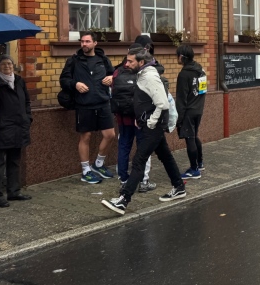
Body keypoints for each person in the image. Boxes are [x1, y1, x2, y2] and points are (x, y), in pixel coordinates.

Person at [102, 47, 186, 215]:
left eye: (130, 61)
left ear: (141, 62)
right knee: (165, 156)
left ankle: (123, 200)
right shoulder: (143, 74)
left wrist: (151, 121)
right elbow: (146, 101)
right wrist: (141, 117)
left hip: (152, 127)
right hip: (150, 125)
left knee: (139, 161)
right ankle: (179, 187)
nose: (127, 64)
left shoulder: (150, 77)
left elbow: (163, 104)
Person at [59, 31, 115, 184]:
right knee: (86, 137)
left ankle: (98, 164)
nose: (84, 44)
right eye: (82, 41)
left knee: (110, 135)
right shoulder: (74, 61)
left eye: (87, 41)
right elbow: (63, 80)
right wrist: (75, 84)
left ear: (95, 43)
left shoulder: (103, 59)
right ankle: (85, 171)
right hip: (84, 104)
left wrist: (112, 78)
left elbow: (113, 74)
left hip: (103, 102)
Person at [0, 55, 32, 208]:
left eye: (10, 64)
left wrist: (27, 118)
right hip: (1, 128)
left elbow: (26, 101)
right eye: (3, 64)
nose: (7, 67)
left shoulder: (19, 81)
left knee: (14, 161)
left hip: (19, 126)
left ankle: (14, 191)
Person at [112, 44, 155, 194]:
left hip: (122, 118)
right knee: (143, 149)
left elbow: (113, 93)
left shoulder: (117, 72)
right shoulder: (142, 73)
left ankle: (124, 181)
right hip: (140, 118)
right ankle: (143, 181)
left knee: (124, 147)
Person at [175, 43, 207, 180]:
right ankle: (200, 163)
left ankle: (194, 170)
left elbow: (181, 99)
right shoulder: (200, 70)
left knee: (190, 139)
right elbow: (203, 91)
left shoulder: (184, 75)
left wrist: (179, 119)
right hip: (198, 109)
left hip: (188, 111)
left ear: (181, 57)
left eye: (177, 55)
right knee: (194, 136)